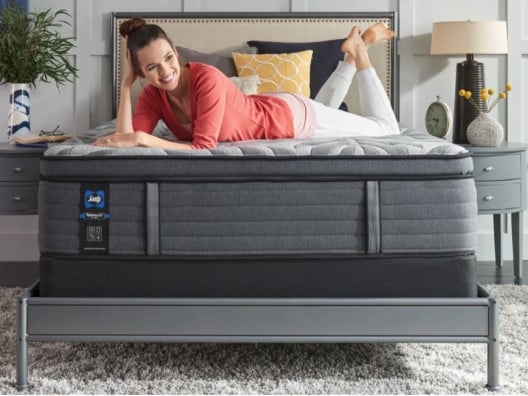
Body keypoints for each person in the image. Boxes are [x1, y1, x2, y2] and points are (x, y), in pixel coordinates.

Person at [94, 18, 399, 150]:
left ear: (175, 49)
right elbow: (124, 142)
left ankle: (359, 53)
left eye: (169, 58)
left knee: (387, 131)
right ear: (140, 70)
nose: (166, 71)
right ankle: (351, 52)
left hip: (289, 117)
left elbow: (203, 146)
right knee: (326, 108)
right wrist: (125, 85)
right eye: (151, 67)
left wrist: (146, 140)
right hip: (275, 105)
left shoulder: (205, 78)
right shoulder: (151, 94)